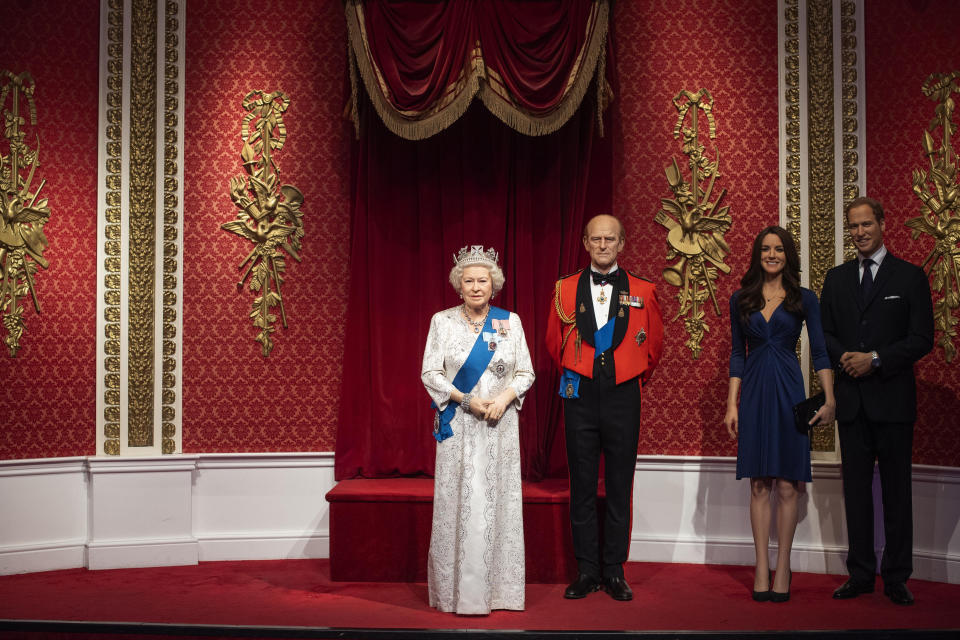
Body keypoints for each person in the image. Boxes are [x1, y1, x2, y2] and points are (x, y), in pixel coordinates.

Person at [820, 197, 933, 606]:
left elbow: (922, 339)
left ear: (883, 225)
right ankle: (861, 574)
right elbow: (824, 333)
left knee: (897, 493)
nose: (860, 232)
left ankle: (897, 576)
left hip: (894, 403)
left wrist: (877, 360)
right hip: (851, 404)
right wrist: (847, 358)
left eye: (867, 224)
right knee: (856, 493)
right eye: (853, 226)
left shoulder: (910, 277)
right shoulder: (835, 279)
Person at [545, 214, 664, 601]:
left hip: (622, 396)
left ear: (622, 244)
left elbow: (655, 345)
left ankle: (614, 570)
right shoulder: (564, 289)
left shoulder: (643, 290)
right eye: (595, 239)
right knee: (581, 484)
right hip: (578, 395)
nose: (602, 245)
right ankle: (586, 571)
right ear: (585, 242)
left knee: (618, 485)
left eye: (609, 239)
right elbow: (552, 342)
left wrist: (627, 375)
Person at [420, 245, 535, 614]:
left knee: (495, 500)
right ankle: (455, 593)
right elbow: (430, 373)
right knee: (459, 502)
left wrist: (503, 400)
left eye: (482, 280)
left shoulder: (509, 322)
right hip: (459, 425)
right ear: (459, 285)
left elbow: (525, 372)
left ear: (493, 284)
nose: (475, 286)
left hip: (498, 425)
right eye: (468, 280)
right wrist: (466, 400)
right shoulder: (442, 321)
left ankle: (499, 592)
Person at [724, 226, 835, 603]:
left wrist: (830, 399)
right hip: (754, 392)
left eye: (779, 249)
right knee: (758, 483)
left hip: (789, 390)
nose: (772, 255)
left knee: (787, 484)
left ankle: (783, 565)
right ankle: (760, 566)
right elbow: (738, 355)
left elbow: (820, 351)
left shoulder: (805, 298)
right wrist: (731, 403)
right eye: (765, 249)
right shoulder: (740, 298)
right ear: (757, 254)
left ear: (788, 255)